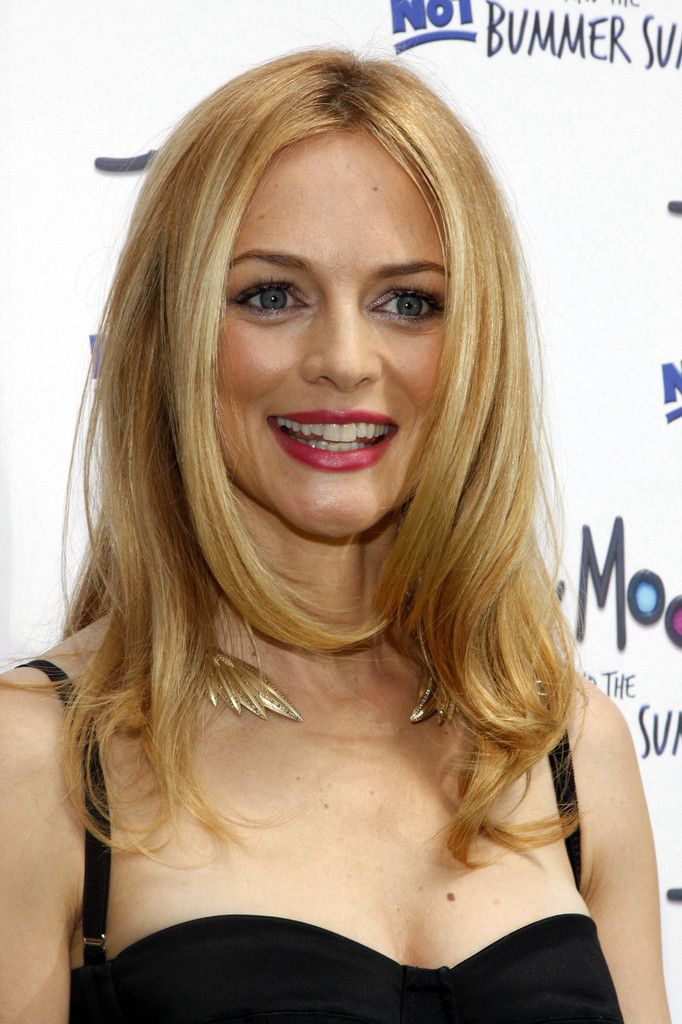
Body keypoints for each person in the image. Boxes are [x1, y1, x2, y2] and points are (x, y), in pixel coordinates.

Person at [0, 48, 670, 1024]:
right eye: (272, 295)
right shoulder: (40, 764)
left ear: (475, 345)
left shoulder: (569, 747)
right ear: (169, 335)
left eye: (409, 302)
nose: (346, 361)